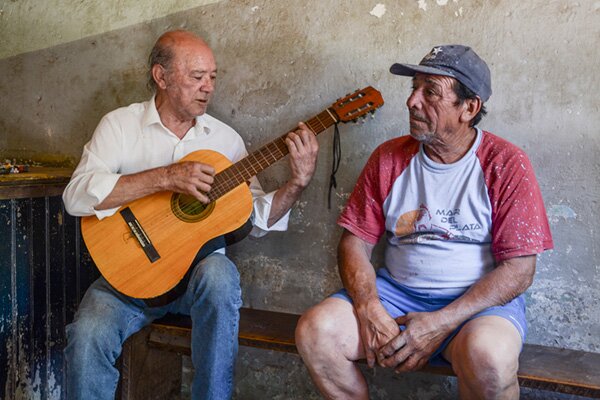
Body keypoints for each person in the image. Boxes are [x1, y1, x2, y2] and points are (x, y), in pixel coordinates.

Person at [62, 30, 319, 399]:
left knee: (220, 273)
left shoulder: (226, 141)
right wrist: (165, 178)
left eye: (212, 77)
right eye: (196, 77)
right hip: (129, 278)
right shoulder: (119, 125)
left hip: (196, 281)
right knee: (86, 334)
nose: (208, 87)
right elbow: (75, 197)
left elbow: (257, 217)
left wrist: (297, 183)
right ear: (161, 77)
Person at [295, 45, 553, 399]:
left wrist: (441, 322)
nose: (412, 101)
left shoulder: (506, 164)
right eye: (413, 88)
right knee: (315, 332)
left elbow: (520, 270)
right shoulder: (389, 157)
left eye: (430, 92)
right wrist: (369, 307)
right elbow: (355, 242)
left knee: (489, 360)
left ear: (469, 108)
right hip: (395, 298)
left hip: (476, 308)